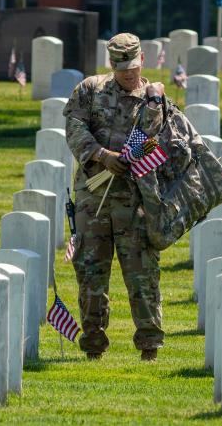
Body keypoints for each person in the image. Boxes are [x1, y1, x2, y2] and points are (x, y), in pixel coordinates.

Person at [63, 33, 166, 361]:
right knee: (91, 273)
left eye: (133, 68)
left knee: (142, 274)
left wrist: (153, 105)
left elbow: (160, 141)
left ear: (142, 61)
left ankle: (149, 346)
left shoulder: (153, 98)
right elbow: (74, 129)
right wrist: (102, 155)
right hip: (94, 197)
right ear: (112, 65)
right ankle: (93, 346)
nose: (128, 75)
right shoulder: (90, 90)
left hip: (134, 201)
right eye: (122, 69)